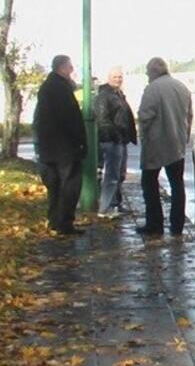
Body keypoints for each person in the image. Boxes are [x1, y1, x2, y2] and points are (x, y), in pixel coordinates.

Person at [137, 57, 193, 235]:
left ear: (153, 71)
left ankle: (155, 224)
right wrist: (184, 137)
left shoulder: (152, 89)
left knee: (149, 183)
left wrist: (143, 136)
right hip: (177, 144)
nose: (147, 75)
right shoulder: (182, 87)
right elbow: (189, 115)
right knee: (177, 185)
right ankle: (177, 227)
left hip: (156, 143)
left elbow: (145, 116)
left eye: (147, 72)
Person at [33, 55, 87, 235]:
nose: (72, 70)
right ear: (61, 68)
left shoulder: (47, 87)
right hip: (64, 148)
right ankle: (64, 223)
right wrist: (80, 141)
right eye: (70, 66)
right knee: (69, 186)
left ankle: (54, 221)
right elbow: (70, 119)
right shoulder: (61, 89)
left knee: (55, 187)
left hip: (49, 147)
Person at [95, 67, 137, 218]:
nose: (118, 79)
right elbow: (102, 119)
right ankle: (105, 208)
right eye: (114, 77)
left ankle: (114, 205)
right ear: (108, 78)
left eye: (119, 77)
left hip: (120, 140)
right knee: (112, 176)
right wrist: (115, 135)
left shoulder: (118, 94)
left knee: (119, 175)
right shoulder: (105, 95)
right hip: (111, 141)